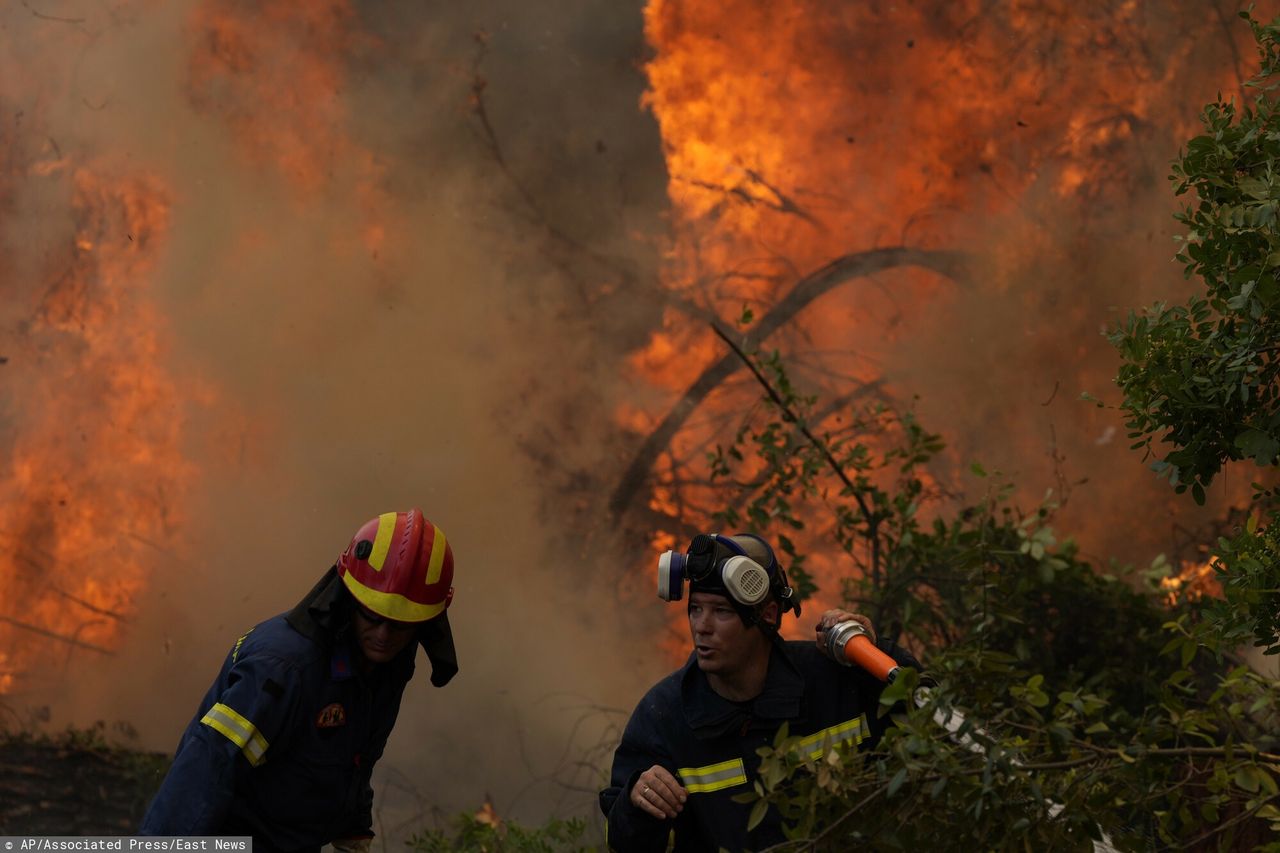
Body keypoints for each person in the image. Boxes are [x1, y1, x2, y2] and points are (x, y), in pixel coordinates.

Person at [141, 508, 458, 853]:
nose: (383, 634)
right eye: (372, 614)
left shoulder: (385, 666)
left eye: (400, 623)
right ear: (348, 596)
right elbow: (207, 769)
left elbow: (355, 755)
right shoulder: (283, 669)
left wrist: (354, 829)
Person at [599, 532, 920, 852]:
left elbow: (922, 707)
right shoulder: (665, 715)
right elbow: (627, 843)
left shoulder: (833, 681)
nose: (702, 626)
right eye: (696, 608)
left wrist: (869, 651)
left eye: (721, 611)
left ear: (766, 614)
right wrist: (637, 801)